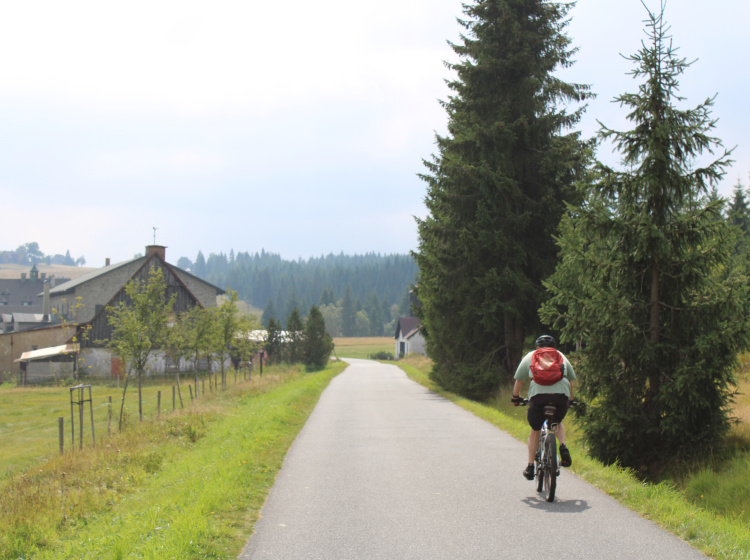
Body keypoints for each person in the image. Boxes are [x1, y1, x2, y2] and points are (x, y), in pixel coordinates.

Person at [511, 335, 576, 480]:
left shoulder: (531, 356)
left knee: (535, 430)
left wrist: (515, 397)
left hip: (538, 396)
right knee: (557, 422)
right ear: (554, 347)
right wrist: (570, 400)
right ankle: (563, 446)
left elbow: (519, 380)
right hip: (560, 396)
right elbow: (570, 380)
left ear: (537, 347)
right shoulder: (560, 356)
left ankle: (529, 467)